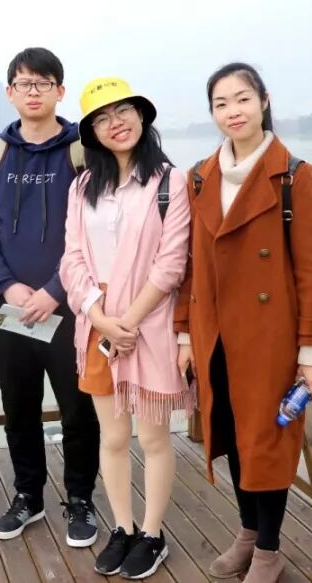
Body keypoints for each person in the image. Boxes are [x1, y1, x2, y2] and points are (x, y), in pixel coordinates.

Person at [174, 63, 312, 582]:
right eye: (220, 104)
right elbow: (192, 263)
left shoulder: (294, 177)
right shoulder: (201, 176)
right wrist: (183, 331)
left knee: (267, 439)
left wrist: (311, 349)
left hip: (269, 337)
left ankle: (269, 548)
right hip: (215, 331)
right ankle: (247, 530)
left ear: (264, 101)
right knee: (234, 432)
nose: (232, 112)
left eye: (242, 99)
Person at [0, 47, 101, 546]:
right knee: (18, 406)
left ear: (60, 91)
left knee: (78, 408)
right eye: (24, 84)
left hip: (73, 307)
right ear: (10, 93)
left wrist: (55, 290)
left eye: (43, 83)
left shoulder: (84, 151)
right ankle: (28, 495)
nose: (33, 92)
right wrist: (7, 285)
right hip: (12, 308)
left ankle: (81, 498)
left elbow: (96, 231)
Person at [60, 77, 192, 579]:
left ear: (141, 116)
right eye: (102, 118)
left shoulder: (170, 181)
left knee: (154, 438)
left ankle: (153, 533)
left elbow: (172, 262)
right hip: (98, 323)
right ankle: (122, 526)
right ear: (91, 133)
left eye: (123, 111)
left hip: (149, 323)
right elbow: (72, 258)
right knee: (112, 437)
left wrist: (128, 322)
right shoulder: (81, 187)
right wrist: (99, 318)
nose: (115, 123)